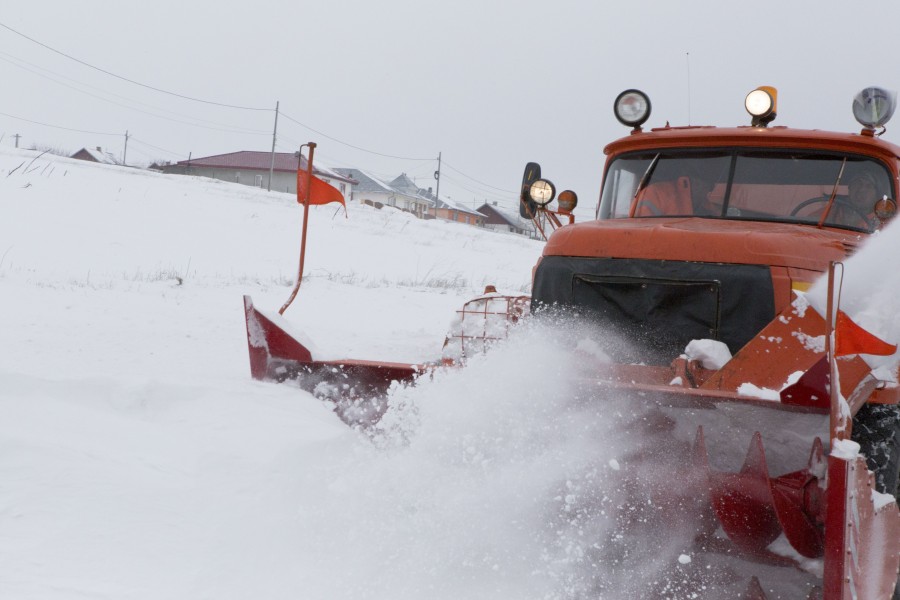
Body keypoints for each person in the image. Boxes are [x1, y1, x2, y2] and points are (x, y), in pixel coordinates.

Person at [633, 174, 716, 217]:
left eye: (710, 187)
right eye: (709, 186)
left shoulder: (708, 209)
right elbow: (640, 233)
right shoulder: (654, 193)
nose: (708, 191)